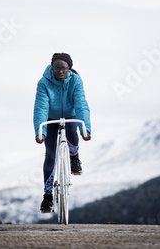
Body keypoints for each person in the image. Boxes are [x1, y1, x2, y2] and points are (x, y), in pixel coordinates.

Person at [33, 53, 91, 213]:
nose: (60, 71)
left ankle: (74, 157)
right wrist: (40, 131)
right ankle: (47, 196)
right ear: (52, 68)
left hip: (70, 114)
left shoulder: (76, 80)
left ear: (69, 68)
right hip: (50, 117)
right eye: (56, 68)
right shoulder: (44, 82)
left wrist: (85, 129)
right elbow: (41, 107)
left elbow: (81, 104)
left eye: (63, 68)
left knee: (72, 129)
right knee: (50, 155)